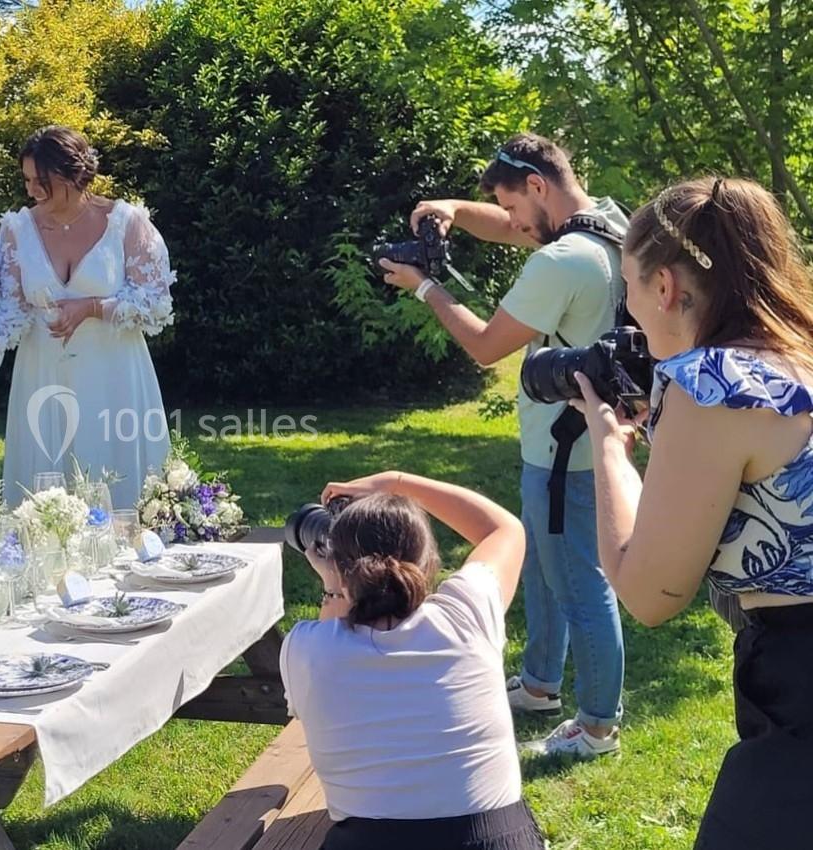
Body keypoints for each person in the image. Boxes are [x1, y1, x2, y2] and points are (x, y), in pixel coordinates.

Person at [570, 176, 813, 849]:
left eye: (630, 288)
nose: (630, 312)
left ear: (667, 287)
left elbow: (650, 594)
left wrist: (610, 448)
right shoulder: (800, 359)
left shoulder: (711, 385)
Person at [382, 133, 627, 756]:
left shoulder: (561, 260)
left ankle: (599, 724)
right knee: (548, 575)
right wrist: (455, 211)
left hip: (563, 454)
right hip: (580, 440)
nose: (515, 225)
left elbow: (488, 346)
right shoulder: (607, 225)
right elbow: (513, 228)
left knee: (580, 584)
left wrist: (423, 286)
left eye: (514, 207)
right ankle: (541, 685)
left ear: (538, 186)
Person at [280, 471, 542, 850]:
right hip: (496, 839)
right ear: (428, 561)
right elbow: (504, 529)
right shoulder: (468, 613)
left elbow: (333, 646)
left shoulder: (304, 648)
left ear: (338, 570)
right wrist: (398, 483)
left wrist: (333, 589)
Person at [0, 126, 172, 509]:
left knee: (121, 487)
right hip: (44, 376)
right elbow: (12, 308)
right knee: (47, 499)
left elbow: (156, 302)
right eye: (28, 180)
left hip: (114, 376)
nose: (32, 191)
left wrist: (92, 307)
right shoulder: (17, 229)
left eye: (43, 181)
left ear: (75, 174)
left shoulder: (127, 223)